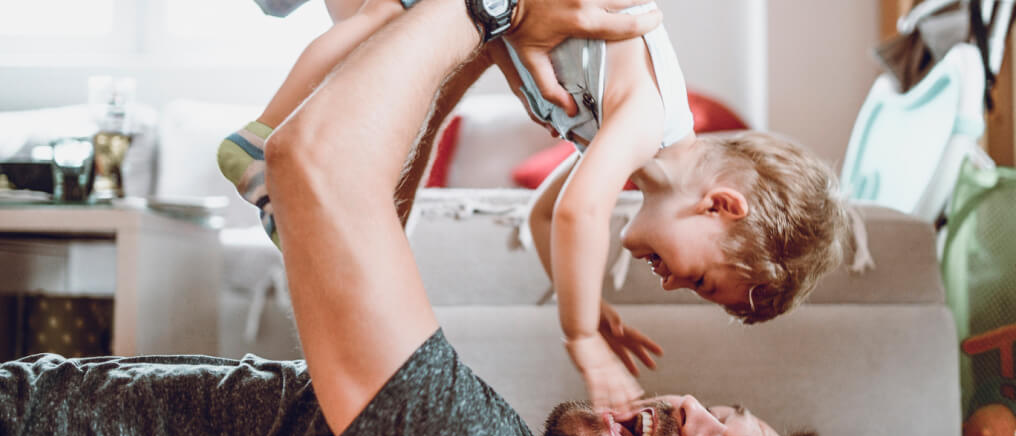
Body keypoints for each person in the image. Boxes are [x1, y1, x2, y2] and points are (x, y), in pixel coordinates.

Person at [0, 0, 830, 436]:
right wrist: (479, 48)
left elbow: (314, 168)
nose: (693, 408)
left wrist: (489, 7)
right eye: (723, 414)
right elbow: (344, 237)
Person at [220, 0, 862, 413]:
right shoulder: (650, 121)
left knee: (379, 23)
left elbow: (544, 217)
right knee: (380, 20)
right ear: (722, 206)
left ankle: (277, 145)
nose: (669, 282)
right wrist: (583, 338)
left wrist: (585, 294)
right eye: (698, 278)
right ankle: (263, 137)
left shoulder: (636, 157)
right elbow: (581, 213)